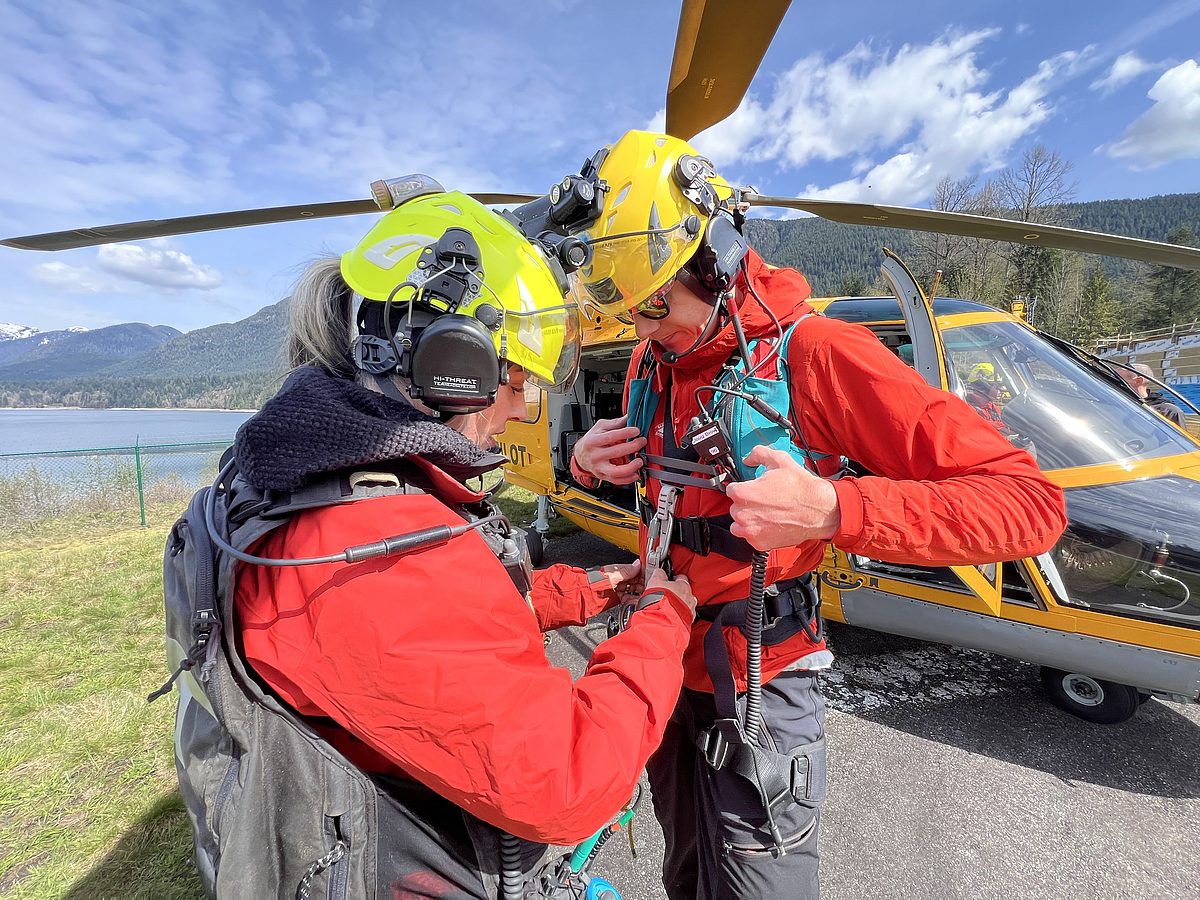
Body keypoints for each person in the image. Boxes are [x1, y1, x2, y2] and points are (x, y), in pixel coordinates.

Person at [566, 131, 1068, 900]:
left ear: (720, 258)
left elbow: (1030, 503)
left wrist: (837, 506)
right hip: (662, 664)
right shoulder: (651, 359)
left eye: (657, 300)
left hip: (763, 675)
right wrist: (583, 462)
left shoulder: (818, 354)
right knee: (686, 872)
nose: (641, 326)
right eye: (629, 308)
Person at [164, 185, 699, 899]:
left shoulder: (298, 477)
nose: (518, 410)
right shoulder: (370, 540)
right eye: (513, 381)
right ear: (452, 361)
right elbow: (569, 777)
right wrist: (665, 618)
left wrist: (593, 589)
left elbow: (451, 620)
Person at [1120, 362, 1185, 426]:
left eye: (1119, 379)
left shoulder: (1168, 411)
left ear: (1138, 381)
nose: (1113, 382)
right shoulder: (1114, 401)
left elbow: (1176, 436)